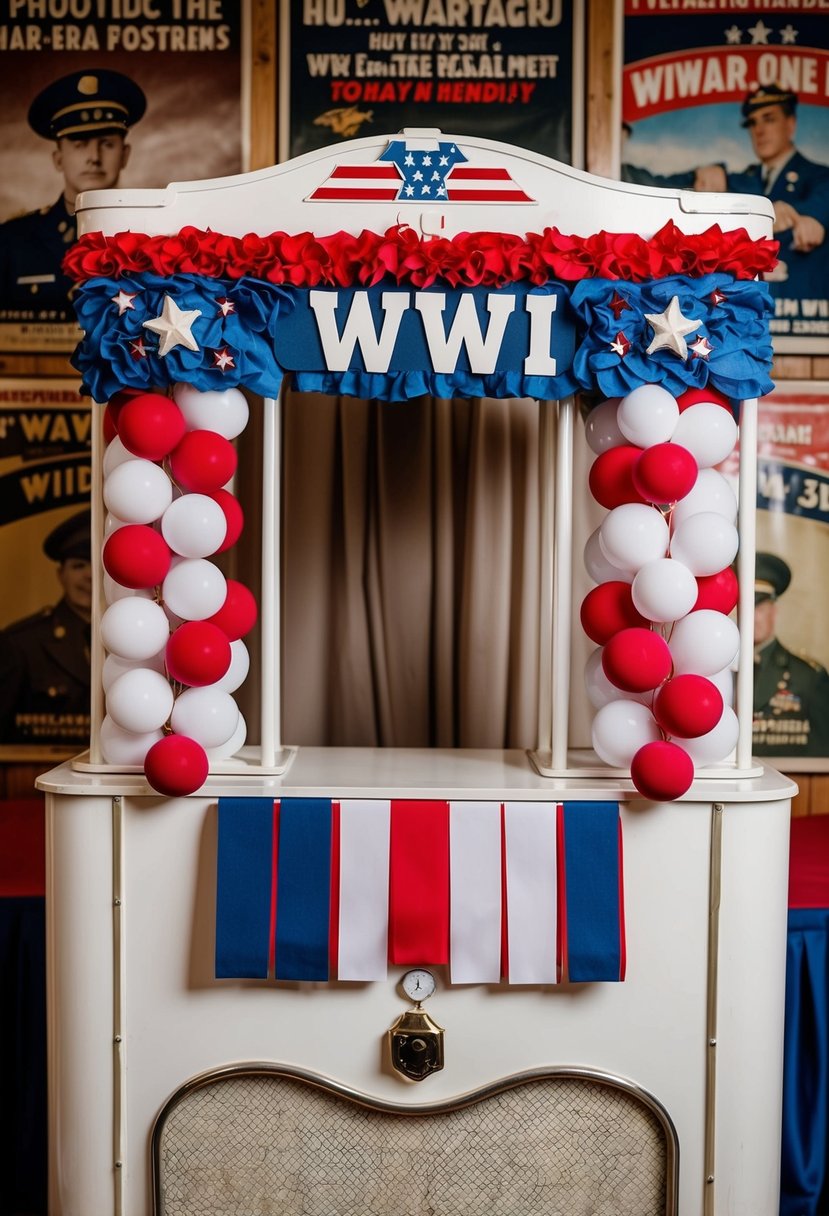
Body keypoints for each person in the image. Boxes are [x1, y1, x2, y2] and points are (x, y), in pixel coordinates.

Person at [0, 69, 145, 320]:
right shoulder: (12, 241)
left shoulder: (151, 237)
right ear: (58, 159)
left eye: (107, 144)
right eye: (79, 145)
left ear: (125, 155)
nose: (94, 157)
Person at [724, 86, 829, 299]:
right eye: (753, 123)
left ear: (791, 124)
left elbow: (821, 203)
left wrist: (804, 216)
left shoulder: (819, 177)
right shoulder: (740, 181)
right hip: (745, 315)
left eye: (769, 119)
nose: (759, 130)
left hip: (804, 316)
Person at [0, 509, 92, 747]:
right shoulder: (21, 643)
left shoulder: (141, 640)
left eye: (98, 566)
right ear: (60, 575)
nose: (90, 576)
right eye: (78, 566)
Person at [753, 551, 829, 758]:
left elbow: (823, 755)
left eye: (760, 606)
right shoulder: (718, 671)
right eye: (745, 605)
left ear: (774, 611)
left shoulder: (809, 677)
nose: (752, 616)